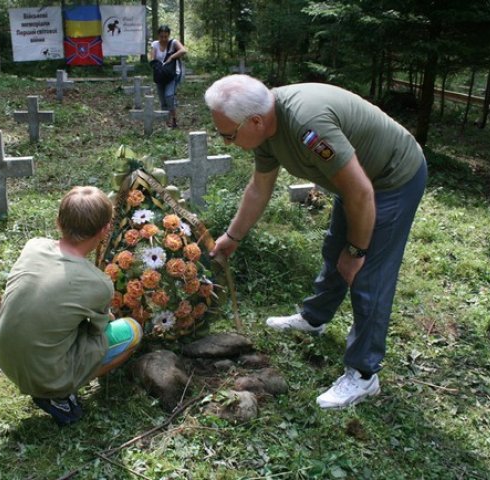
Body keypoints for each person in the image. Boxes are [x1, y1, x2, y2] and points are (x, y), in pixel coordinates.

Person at [204, 75, 427, 409]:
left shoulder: (309, 128)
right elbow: (259, 188)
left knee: (367, 275)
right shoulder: (264, 125)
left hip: (391, 179)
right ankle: (315, 317)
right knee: (334, 250)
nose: (226, 142)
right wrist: (233, 236)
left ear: (254, 121)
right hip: (354, 183)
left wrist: (356, 251)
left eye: (228, 135)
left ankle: (364, 375)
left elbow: (361, 192)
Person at [0, 186, 143, 425]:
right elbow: (99, 332)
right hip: (44, 374)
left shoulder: (33, 245)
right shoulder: (98, 283)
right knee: (132, 330)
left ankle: (52, 382)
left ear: (58, 222)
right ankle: (58, 393)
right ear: (105, 230)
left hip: (4, 357)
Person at [149, 25, 187, 128]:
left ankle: (174, 118)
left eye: (166, 36)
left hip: (172, 74)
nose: (164, 39)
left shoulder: (173, 43)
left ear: (168, 35)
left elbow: (183, 50)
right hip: (160, 75)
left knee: (169, 96)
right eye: (161, 36)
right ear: (158, 36)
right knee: (162, 100)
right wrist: (157, 65)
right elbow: (152, 58)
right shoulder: (155, 45)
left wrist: (171, 57)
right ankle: (166, 122)